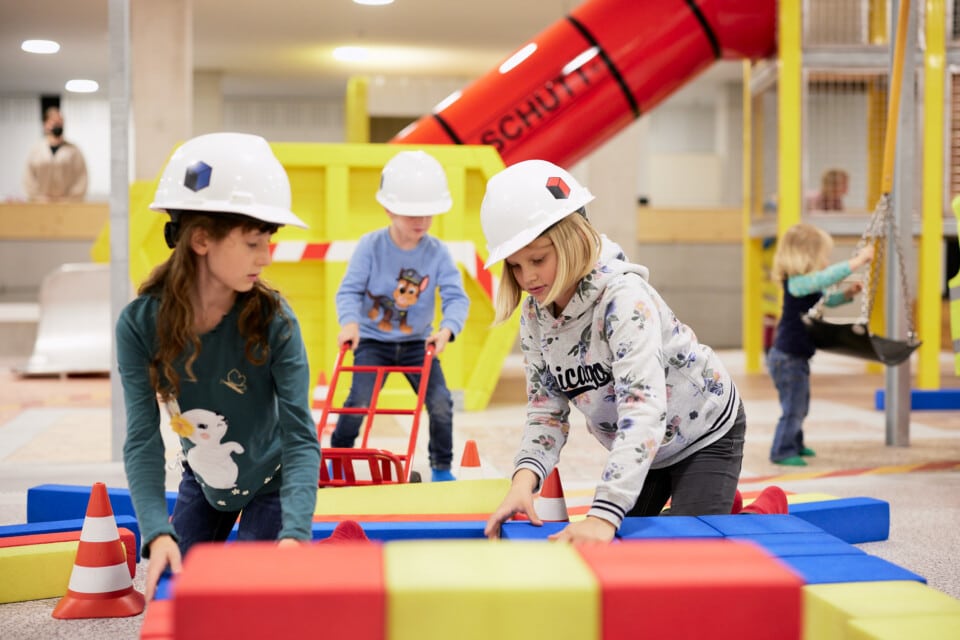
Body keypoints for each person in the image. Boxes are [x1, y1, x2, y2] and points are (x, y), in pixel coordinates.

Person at [480, 159, 787, 544]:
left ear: (576, 238)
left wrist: (604, 514)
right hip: (645, 447)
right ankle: (713, 502)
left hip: (702, 431)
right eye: (515, 266)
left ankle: (758, 513)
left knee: (686, 550)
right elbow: (546, 409)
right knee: (629, 546)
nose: (528, 278)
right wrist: (523, 482)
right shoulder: (535, 313)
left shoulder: (623, 299)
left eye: (538, 259)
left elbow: (643, 408)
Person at [117, 132, 321, 600]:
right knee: (175, 595)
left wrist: (295, 532)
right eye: (252, 242)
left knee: (244, 599)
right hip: (204, 478)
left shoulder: (276, 322)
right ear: (202, 239)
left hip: (275, 478)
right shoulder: (138, 325)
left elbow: (299, 435)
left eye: (268, 241)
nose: (266, 257)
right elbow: (143, 439)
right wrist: (156, 530)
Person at [331, 150, 469, 482]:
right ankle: (337, 458)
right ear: (389, 209)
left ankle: (441, 468)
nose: (421, 222)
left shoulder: (437, 252)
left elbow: (456, 297)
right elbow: (348, 291)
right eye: (411, 214)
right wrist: (349, 323)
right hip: (373, 342)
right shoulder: (371, 246)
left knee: (440, 402)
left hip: (418, 344)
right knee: (358, 400)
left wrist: (447, 331)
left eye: (428, 214)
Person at [767, 223, 874, 466]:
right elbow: (825, 278)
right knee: (793, 406)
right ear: (806, 258)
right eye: (823, 257)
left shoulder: (806, 286)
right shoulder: (796, 283)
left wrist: (847, 295)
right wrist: (856, 262)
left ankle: (795, 443)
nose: (826, 262)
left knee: (800, 404)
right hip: (787, 358)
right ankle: (782, 450)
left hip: (796, 357)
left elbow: (827, 300)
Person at [22, 106, 88, 202]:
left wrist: (69, 199)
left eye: (60, 121)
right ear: (45, 124)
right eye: (53, 121)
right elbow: (29, 178)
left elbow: (81, 178)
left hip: (67, 205)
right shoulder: (36, 151)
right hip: (41, 205)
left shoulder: (74, 151)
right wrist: (38, 198)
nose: (58, 124)